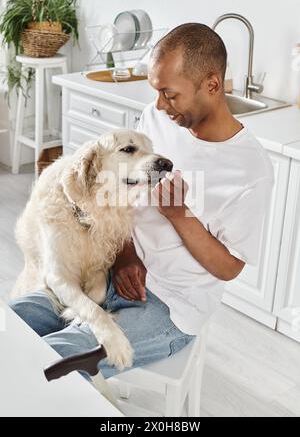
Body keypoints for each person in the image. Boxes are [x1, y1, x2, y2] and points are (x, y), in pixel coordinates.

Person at [9, 23, 274, 379]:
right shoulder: (157, 120)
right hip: (108, 271)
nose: (161, 105)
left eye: (171, 94)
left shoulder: (250, 168)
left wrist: (180, 216)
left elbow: (230, 267)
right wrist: (126, 254)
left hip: (172, 306)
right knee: (9, 324)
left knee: (52, 362)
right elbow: (116, 197)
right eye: (157, 92)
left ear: (212, 84)